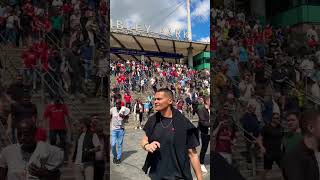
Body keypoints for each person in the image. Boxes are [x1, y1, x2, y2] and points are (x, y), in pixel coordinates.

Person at [140, 88, 203, 180]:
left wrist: (199, 178)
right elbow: (144, 139)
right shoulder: (152, 120)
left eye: (159, 99)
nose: (155, 102)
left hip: (178, 176)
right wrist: (147, 145)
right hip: (157, 175)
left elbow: (192, 154)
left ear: (170, 101)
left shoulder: (183, 123)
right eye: (155, 99)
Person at [282, 110, 320, 180]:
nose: (290, 122)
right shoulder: (293, 157)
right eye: (288, 120)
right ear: (311, 128)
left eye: (292, 120)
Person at [256, 112, 284, 180]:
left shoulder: (280, 127)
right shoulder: (266, 127)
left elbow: (283, 138)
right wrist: (261, 147)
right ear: (272, 119)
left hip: (278, 152)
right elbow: (259, 138)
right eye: (276, 118)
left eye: (278, 118)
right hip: (268, 152)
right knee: (266, 169)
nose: (278, 119)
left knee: (284, 168)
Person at [110, 99, 130, 164]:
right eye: (116, 103)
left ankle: (118, 158)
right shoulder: (112, 109)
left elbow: (127, 117)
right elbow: (110, 116)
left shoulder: (124, 109)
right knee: (113, 144)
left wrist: (123, 116)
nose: (117, 105)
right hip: (114, 129)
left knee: (120, 144)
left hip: (121, 129)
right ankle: (115, 156)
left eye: (118, 103)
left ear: (120, 103)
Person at [196, 96, 210, 173]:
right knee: (204, 148)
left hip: (213, 132)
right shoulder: (201, 110)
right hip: (205, 132)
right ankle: (201, 163)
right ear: (207, 102)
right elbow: (203, 122)